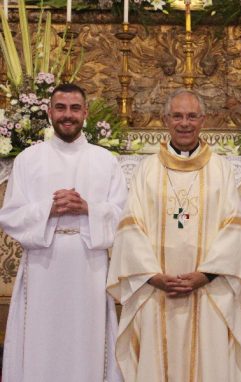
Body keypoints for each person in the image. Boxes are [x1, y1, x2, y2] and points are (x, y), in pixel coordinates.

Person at [107, 89, 241, 382]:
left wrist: (205, 274)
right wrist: (153, 276)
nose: (184, 123)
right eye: (177, 116)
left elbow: (234, 227)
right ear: (165, 119)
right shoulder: (146, 170)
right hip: (155, 290)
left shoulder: (222, 170)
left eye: (192, 116)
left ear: (203, 120)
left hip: (210, 291)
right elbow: (130, 227)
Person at [0, 83, 127, 382]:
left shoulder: (105, 160)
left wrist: (88, 208)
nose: (67, 115)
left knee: (87, 339)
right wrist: (49, 207)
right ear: (49, 112)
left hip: (89, 264)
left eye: (74, 108)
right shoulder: (28, 160)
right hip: (43, 264)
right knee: (41, 338)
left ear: (85, 112)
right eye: (60, 108)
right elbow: (11, 215)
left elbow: (124, 215)